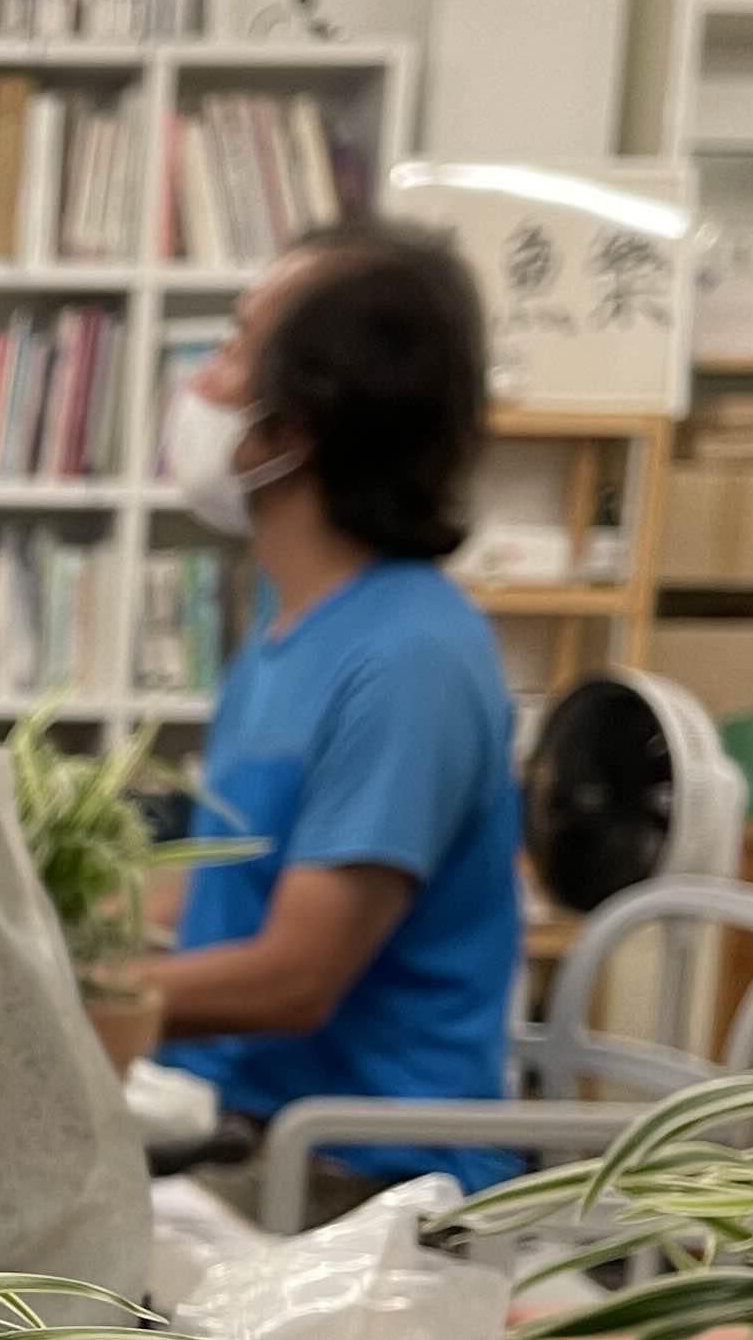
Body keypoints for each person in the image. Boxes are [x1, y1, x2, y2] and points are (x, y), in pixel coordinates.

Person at [142, 225, 522, 1217]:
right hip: (251, 1131)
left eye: (234, 349)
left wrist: (66, 997)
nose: (201, 383)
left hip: (361, 1182)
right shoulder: (288, 623)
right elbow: (213, 891)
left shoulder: (409, 661)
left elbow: (294, 981)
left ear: (298, 425)